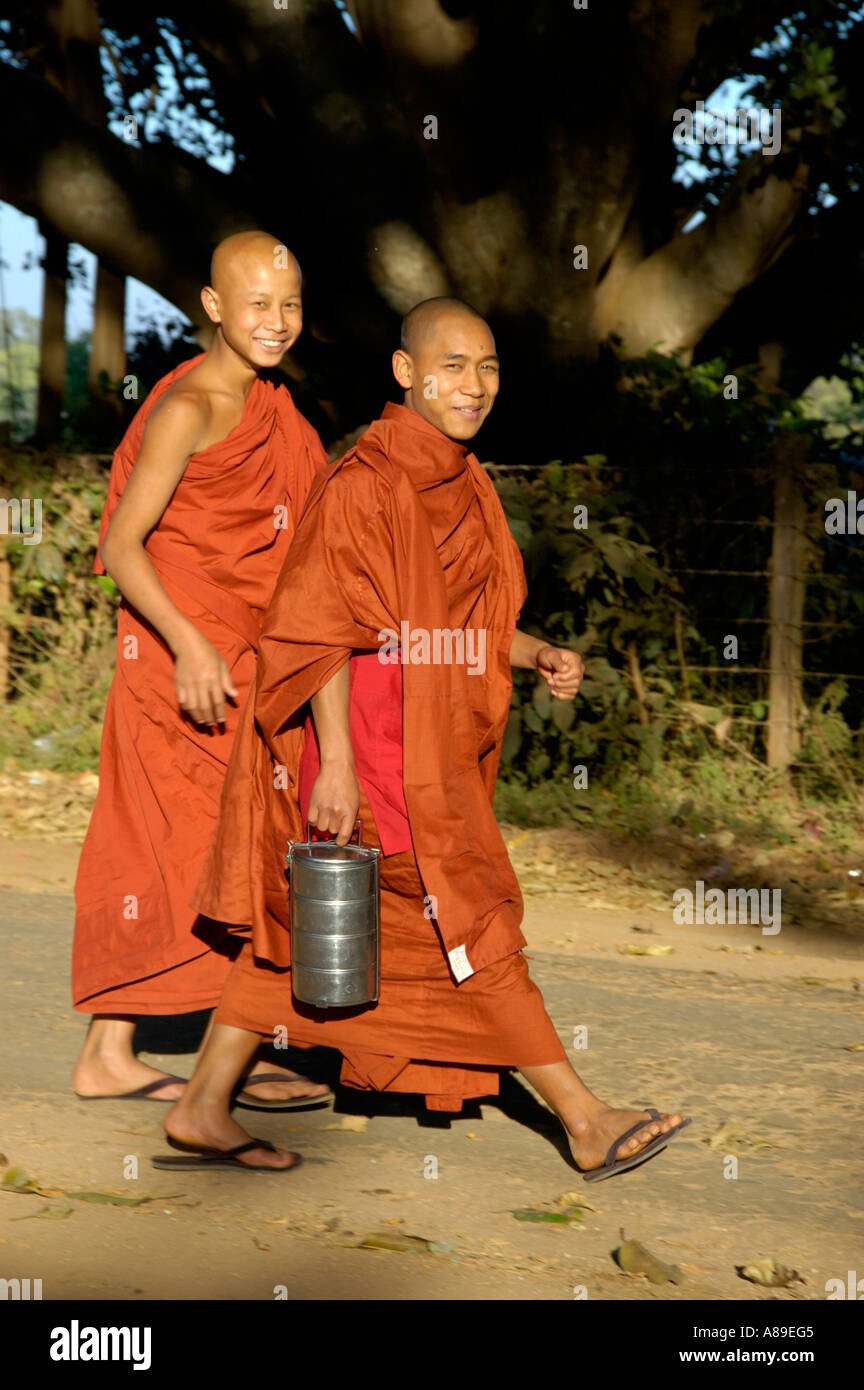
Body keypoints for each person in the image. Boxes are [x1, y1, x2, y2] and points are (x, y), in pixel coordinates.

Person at [155, 297, 691, 1177]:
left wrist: (536, 651)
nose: (472, 386)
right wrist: (336, 769)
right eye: (451, 365)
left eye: (486, 367)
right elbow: (318, 629)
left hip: (427, 749)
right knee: (468, 914)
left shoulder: (463, 479)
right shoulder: (368, 481)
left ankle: (202, 1103)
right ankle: (585, 1118)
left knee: (314, 930)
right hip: (373, 750)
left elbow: (458, 625)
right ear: (406, 373)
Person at [72, 231, 332, 1108]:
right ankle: (161, 1054)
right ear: (215, 308)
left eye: (290, 305)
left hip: (248, 666)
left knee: (234, 848)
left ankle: (155, 1051)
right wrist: (187, 643)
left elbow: (305, 562)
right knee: (171, 847)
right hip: (179, 664)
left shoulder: (281, 414)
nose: (278, 322)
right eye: (257, 304)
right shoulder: (188, 408)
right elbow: (122, 544)